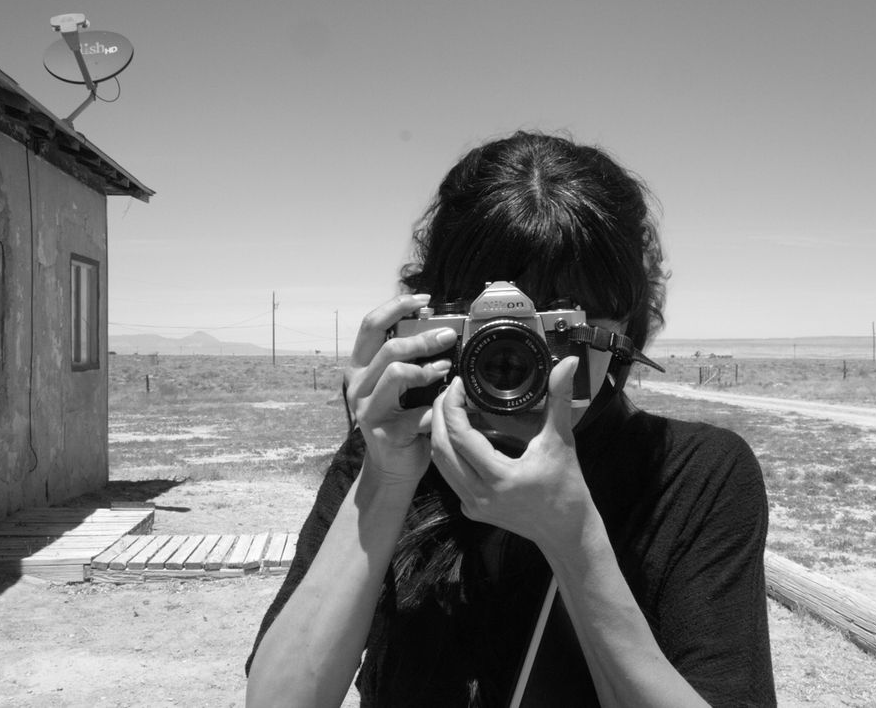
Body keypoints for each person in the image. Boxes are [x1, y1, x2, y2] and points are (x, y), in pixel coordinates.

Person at [246, 131, 775, 707]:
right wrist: (386, 479)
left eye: (556, 325)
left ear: (620, 327)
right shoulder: (391, 450)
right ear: (435, 319)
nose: (519, 355)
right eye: (493, 325)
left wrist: (572, 540)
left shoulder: (695, 477)